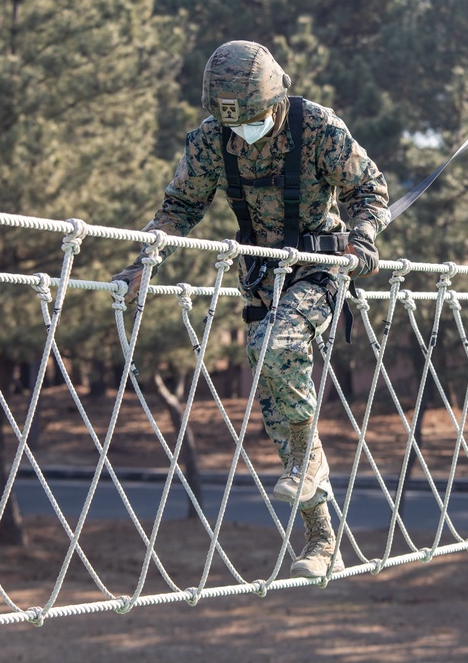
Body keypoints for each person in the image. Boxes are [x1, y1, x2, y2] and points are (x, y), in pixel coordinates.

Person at [114, 40, 390, 578]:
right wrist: (146, 261)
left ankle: (310, 465)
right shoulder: (213, 139)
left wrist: (363, 240)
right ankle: (321, 541)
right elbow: (181, 206)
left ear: (275, 99)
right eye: (229, 120)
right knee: (281, 417)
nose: (243, 129)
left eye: (254, 118)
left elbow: (369, 190)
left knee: (274, 347)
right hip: (264, 282)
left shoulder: (317, 128)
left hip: (320, 270)